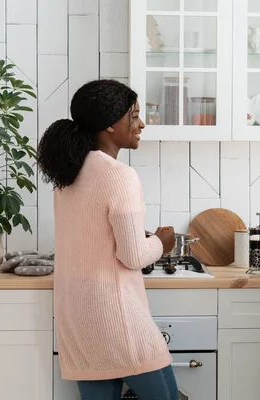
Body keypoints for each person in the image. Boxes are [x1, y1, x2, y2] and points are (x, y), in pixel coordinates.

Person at [37, 79, 179, 400]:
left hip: (78, 318)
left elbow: (90, 239)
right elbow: (132, 257)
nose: (141, 124)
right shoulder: (119, 175)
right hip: (116, 319)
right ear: (110, 125)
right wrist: (161, 241)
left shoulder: (68, 175)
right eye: (134, 116)